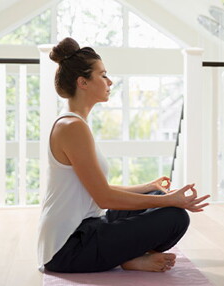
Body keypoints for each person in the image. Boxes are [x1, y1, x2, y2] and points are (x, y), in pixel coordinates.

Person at [37, 37, 210, 273]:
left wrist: (149, 186)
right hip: (69, 248)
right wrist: (169, 200)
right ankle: (128, 258)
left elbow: (99, 189)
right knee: (175, 216)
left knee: (156, 194)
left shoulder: (76, 123)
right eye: (103, 74)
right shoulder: (71, 127)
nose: (110, 81)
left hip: (88, 227)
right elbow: (105, 198)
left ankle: (129, 256)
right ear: (83, 82)